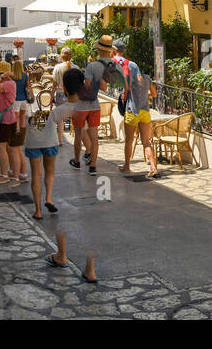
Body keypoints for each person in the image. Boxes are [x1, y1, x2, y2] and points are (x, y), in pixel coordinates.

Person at [25, 68, 82, 219]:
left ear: (64, 88)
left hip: (34, 135)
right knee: (49, 171)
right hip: (49, 138)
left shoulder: (55, 110)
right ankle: (48, 199)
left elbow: (36, 119)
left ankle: (38, 211)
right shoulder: (76, 107)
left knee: (36, 175)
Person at [70, 35, 123, 176]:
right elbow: (105, 87)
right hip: (95, 105)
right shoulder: (111, 66)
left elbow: (87, 85)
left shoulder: (92, 65)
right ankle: (93, 167)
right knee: (94, 136)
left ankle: (76, 161)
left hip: (82, 105)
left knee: (78, 133)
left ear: (99, 49)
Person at [119, 56, 159, 178]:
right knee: (146, 141)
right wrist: (143, 93)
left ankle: (126, 166)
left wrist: (123, 97)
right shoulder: (147, 79)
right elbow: (154, 94)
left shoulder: (129, 80)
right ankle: (153, 166)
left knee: (129, 141)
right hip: (145, 112)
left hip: (132, 112)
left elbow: (124, 96)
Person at [0, 62, 23, 186]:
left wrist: (2, 76)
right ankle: (12, 175)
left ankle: (5, 175)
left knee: (1, 147)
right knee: (7, 148)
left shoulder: (8, 83)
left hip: (6, 120)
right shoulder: (7, 83)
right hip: (5, 119)